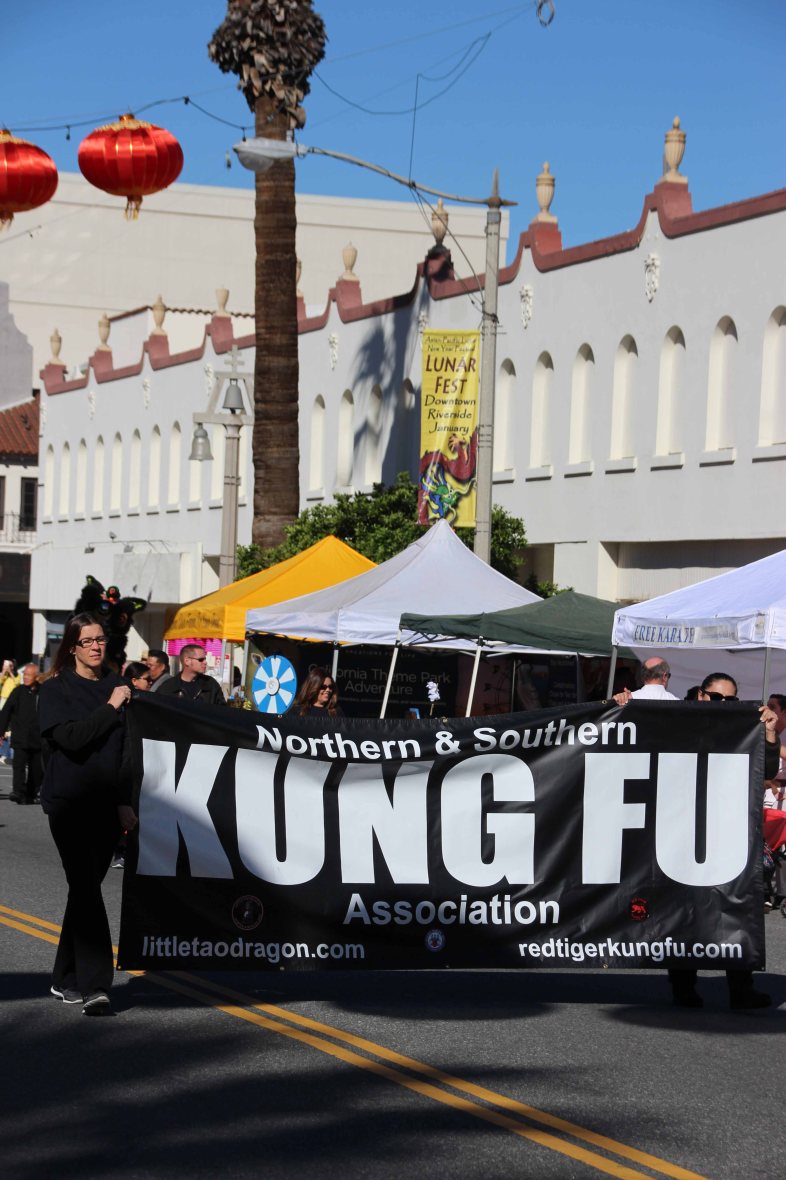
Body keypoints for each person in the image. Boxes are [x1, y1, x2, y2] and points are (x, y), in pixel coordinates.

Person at [38, 612, 137, 1016]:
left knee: (84, 891)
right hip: (68, 804)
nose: (96, 646)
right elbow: (72, 738)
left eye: (100, 639)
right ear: (73, 647)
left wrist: (125, 801)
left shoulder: (117, 685)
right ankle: (96, 985)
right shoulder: (55, 689)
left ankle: (65, 977)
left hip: (106, 806)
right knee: (86, 889)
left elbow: (126, 751)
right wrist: (111, 707)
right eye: (88, 641)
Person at [666, 671, 778, 1010]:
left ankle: (741, 987)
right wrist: (619, 704)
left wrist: (769, 731)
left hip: (729, 832)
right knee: (687, 910)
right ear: (701, 695)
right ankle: (684, 985)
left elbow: (766, 770)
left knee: (738, 908)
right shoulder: (673, 720)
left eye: (731, 699)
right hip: (683, 831)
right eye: (717, 697)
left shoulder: (743, 724)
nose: (724, 704)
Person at [0, 663, 43, 804]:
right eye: (24, 674)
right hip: (20, 737)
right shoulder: (18, 692)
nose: (25, 677)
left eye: (29, 675)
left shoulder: (43, 692)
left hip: (37, 738)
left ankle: (31, 794)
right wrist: (1, 732)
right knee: (18, 766)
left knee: (36, 770)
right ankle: (18, 792)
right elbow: (5, 712)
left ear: (36, 677)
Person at [156, 644, 226, 705]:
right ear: (187, 661)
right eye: (201, 660)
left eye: (205, 659)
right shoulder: (168, 687)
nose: (205, 662)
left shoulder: (211, 684)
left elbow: (222, 710)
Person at [0, 658, 19, 763]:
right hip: (3, 700)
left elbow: (17, 683)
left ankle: (7, 754)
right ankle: (3, 752)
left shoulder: (17, 675)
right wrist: (4, 671)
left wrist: (11, 672)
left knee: (9, 727)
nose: (9, 667)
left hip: (11, 701)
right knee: (2, 724)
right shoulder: (5, 675)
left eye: (10, 665)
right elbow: (0, 681)